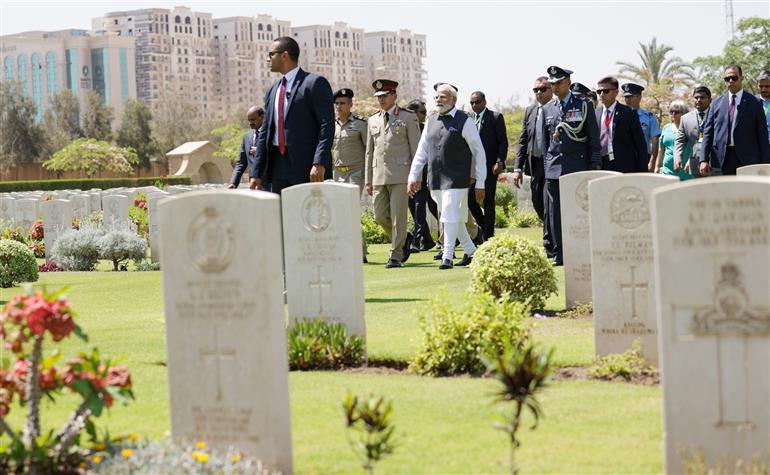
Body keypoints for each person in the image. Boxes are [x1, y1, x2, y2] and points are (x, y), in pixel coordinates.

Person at [408, 83, 486, 270]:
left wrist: (480, 182)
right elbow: (421, 151)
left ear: (453, 100)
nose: (438, 100)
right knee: (455, 217)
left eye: (443, 97)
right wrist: (413, 176)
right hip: (435, 179)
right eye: (436, 97)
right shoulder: (431, 121)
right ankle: (470, 250)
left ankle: (447, 255)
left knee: (449, 215)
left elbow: (479, 152)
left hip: (457, 178)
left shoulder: (464, 120)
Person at [250, 36, 334, 194]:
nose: (268, 59)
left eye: (271, 54)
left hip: (306, 165)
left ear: (284, 55)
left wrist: (319, 162)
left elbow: (327, 125)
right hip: (277, 165)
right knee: (280, 215)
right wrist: (256, 172)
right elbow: (265, 133)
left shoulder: (314, 83)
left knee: (305, 214)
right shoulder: (273, 90)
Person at [543, 66, 601, 266]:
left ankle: (583, 250)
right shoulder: (547, 108)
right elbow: (545, 143)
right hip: (554, 168)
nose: (555, 87)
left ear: (567, 82)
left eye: (558, 83)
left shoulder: (583, 105)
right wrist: (546, 166)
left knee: (579, 211)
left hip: (577, 165)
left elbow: (593, 137)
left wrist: (594, 163)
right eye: (552, 84)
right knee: (555, 213)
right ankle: (560, 253)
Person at [365, 79, 421, 268]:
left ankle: (395, 256)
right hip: (379, 175)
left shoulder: (408, 117)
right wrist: (368, 180)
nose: (381, 99)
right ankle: (404, 239)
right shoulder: (372, 119)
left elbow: (416, 150)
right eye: (379, 96)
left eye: (385, 96)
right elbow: (369, 153)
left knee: (399, 217)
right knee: (380, 216)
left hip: (401, 175)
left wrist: (416, 177)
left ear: (394, 96)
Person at [700, 64, 770, 176]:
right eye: (727, 79)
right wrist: (703, 159)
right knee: (723, 193)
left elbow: (762, 135)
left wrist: (766, 163)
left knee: (747, 193)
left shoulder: (754, 103)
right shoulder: (716, 104)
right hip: (721, 160)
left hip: (747, 160)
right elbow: (708, 133)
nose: (731, 81)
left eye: (734, 78)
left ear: (742, 78)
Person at [513, 76, 553, 253]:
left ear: (551, 90)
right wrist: (517, 168)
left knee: (548, 201)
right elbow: (523, 141)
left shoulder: (556, 109)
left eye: (543, 89)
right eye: (536, 90)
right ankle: (551, 230)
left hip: (552, 163)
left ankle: (549, 242)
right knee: (537, 201)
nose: (539, 93)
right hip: (535, 163)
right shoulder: (530, 111)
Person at [468, 90, 508, 240]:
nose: (474, 105)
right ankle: (484, 227)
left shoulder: (495, 117)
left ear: (484, 102)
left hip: (490, 166)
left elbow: (503, 142)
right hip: (473, 167)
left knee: (488, 200)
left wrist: (500, 161)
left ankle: (488, 235)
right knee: (470, 199)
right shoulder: (469, 119)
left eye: (477, 102)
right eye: (472, 102)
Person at [594, 76, 647, 173]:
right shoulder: (595, 113)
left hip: (623, 166)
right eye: (599, 91)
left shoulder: (628, 112)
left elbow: (640, 145)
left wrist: (642, 171)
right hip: (601, 165)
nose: (601, 94)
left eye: (606, 91)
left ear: (616, 92)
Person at [405, 99, 436, 252]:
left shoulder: (426, 128)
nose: (425, 115)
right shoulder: (403, 127)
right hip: (408, 175)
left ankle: (415, 241)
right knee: (416, 208)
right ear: (413, 113)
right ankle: (428, 240)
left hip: (424, 175)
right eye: (422, 112)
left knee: (420, 208)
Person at [332, 88, 367, 191]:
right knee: (339, 205)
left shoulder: (361, 124)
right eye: (337, 103)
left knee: (352, 203)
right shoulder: (332, 125)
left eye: (342, 103)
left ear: (350, 104)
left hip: (355, 173)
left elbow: (369, 150)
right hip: (337, 173)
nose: (339, 106)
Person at [622, 83, 661, 172]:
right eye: (626, 97)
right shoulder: (619, 116)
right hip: (623, 159)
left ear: (639, 97)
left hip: (642, 158)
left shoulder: (649, 117)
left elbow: (655, 141)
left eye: (631, 97)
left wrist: (652, 162)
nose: (628, 100)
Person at [676, 86, 712, 178]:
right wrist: (678, 158)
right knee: (698, 192)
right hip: (695, 164)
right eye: (696, 98)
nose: (698, 100)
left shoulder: (717, 115)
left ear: (710, 100)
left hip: (715, 164)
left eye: (702, 97)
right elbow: (680, 141)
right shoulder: (685, 119)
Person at [229, 106, 264, 188]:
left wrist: (260, 151)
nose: (250, 123)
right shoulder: (247, 137)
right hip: (253, 184)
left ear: (262, 117)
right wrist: (233, 183)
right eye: (249, 120)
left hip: (270, 183)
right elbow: (241, 162)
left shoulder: (271, 134)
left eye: (253, 120)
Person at [657, 100, 692, 180]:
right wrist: (658, 166)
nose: (673, 114)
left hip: (686, 173)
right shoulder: (666, 127)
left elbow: (696, 148)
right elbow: (661, 149)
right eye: (671, 111)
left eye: (676, 112)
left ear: (684, 113)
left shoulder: (691, 128)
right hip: (667, 172)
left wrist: (690, 161)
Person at [757, 70, 770, 145]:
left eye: (767, 86)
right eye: (761, 86)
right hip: (758, 147)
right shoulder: (752, 102)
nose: (763, 89)